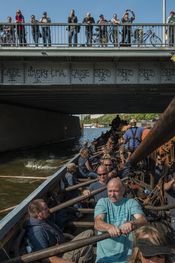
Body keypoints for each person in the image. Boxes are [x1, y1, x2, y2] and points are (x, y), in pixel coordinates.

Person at [94, 177, 147, 263]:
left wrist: (131, 222)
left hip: (126, 259)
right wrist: (108, 227)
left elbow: (143, 220)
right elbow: (97, 222)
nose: (112, 194)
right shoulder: (102, 202)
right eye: (110, 191)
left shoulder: (131, 203)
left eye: (115, 191)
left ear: (122, 191)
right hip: (105, 258)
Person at [26, 199, 94, 263]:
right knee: (87, 238)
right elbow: (43, 257)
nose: (49, 210)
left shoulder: (43, 220)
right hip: (60, 258)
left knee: (88, 233)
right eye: (46, 209)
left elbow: (54, 234)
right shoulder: (37, 231)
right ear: (39, 214)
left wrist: (67, 235)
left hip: (63, 248)